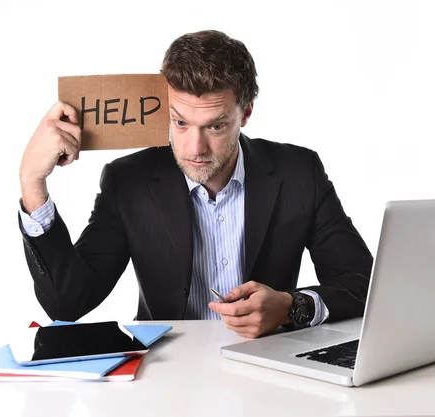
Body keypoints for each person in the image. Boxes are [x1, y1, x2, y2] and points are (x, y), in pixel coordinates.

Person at [18, 29, 373, 339]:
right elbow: (68, 303)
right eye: (181, 122)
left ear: (245, 113)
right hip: (166, 377)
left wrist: (290, 306)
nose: (195, 148)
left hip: (270, 369)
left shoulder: (299, 172)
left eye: (216, 126)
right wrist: (33, 185)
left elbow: (363, 284)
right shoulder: (128, 181)